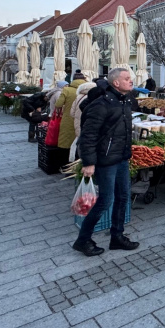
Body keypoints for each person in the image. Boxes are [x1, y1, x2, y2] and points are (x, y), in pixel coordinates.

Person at [73, 67, 139, 256]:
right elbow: (88, 135)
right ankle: (83, 240)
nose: (131, 81)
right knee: (105, 200)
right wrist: (88, 162)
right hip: (105, 160)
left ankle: (117, 236)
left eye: (130, 78)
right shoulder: (101, 104)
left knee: (123, 196)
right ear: (116, 83)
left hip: (121, 158)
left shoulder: (125, 101)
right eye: (127, 79)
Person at [56, 73, 86, 152]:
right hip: (84, 118)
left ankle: (66, 157)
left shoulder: (67, 90)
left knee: (66, 139)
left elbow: (58, 104)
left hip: (68, 118)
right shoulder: (89, 90)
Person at [69, 81, 96, 161]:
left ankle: (73, 160)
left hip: (77, 122)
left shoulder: (78, 97)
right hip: (86, 123)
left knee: (78, 140)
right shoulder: (92, 98)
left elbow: (71, 113)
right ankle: (81, 161)